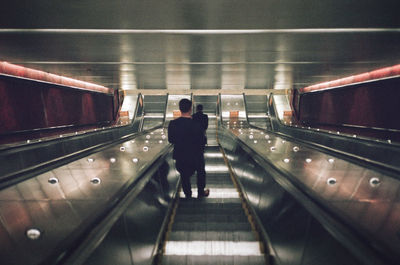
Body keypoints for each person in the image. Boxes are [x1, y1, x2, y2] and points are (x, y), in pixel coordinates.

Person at [168, 99, 210, 199]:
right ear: (190, 109)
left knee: (184, 175)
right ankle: (201, 192)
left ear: (179, 109)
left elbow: (171, 139)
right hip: (196, 155)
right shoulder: (197, 125)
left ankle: (188, 194)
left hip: (181, 154)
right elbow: (203, 140)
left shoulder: (173, 124)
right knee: (200, 173)